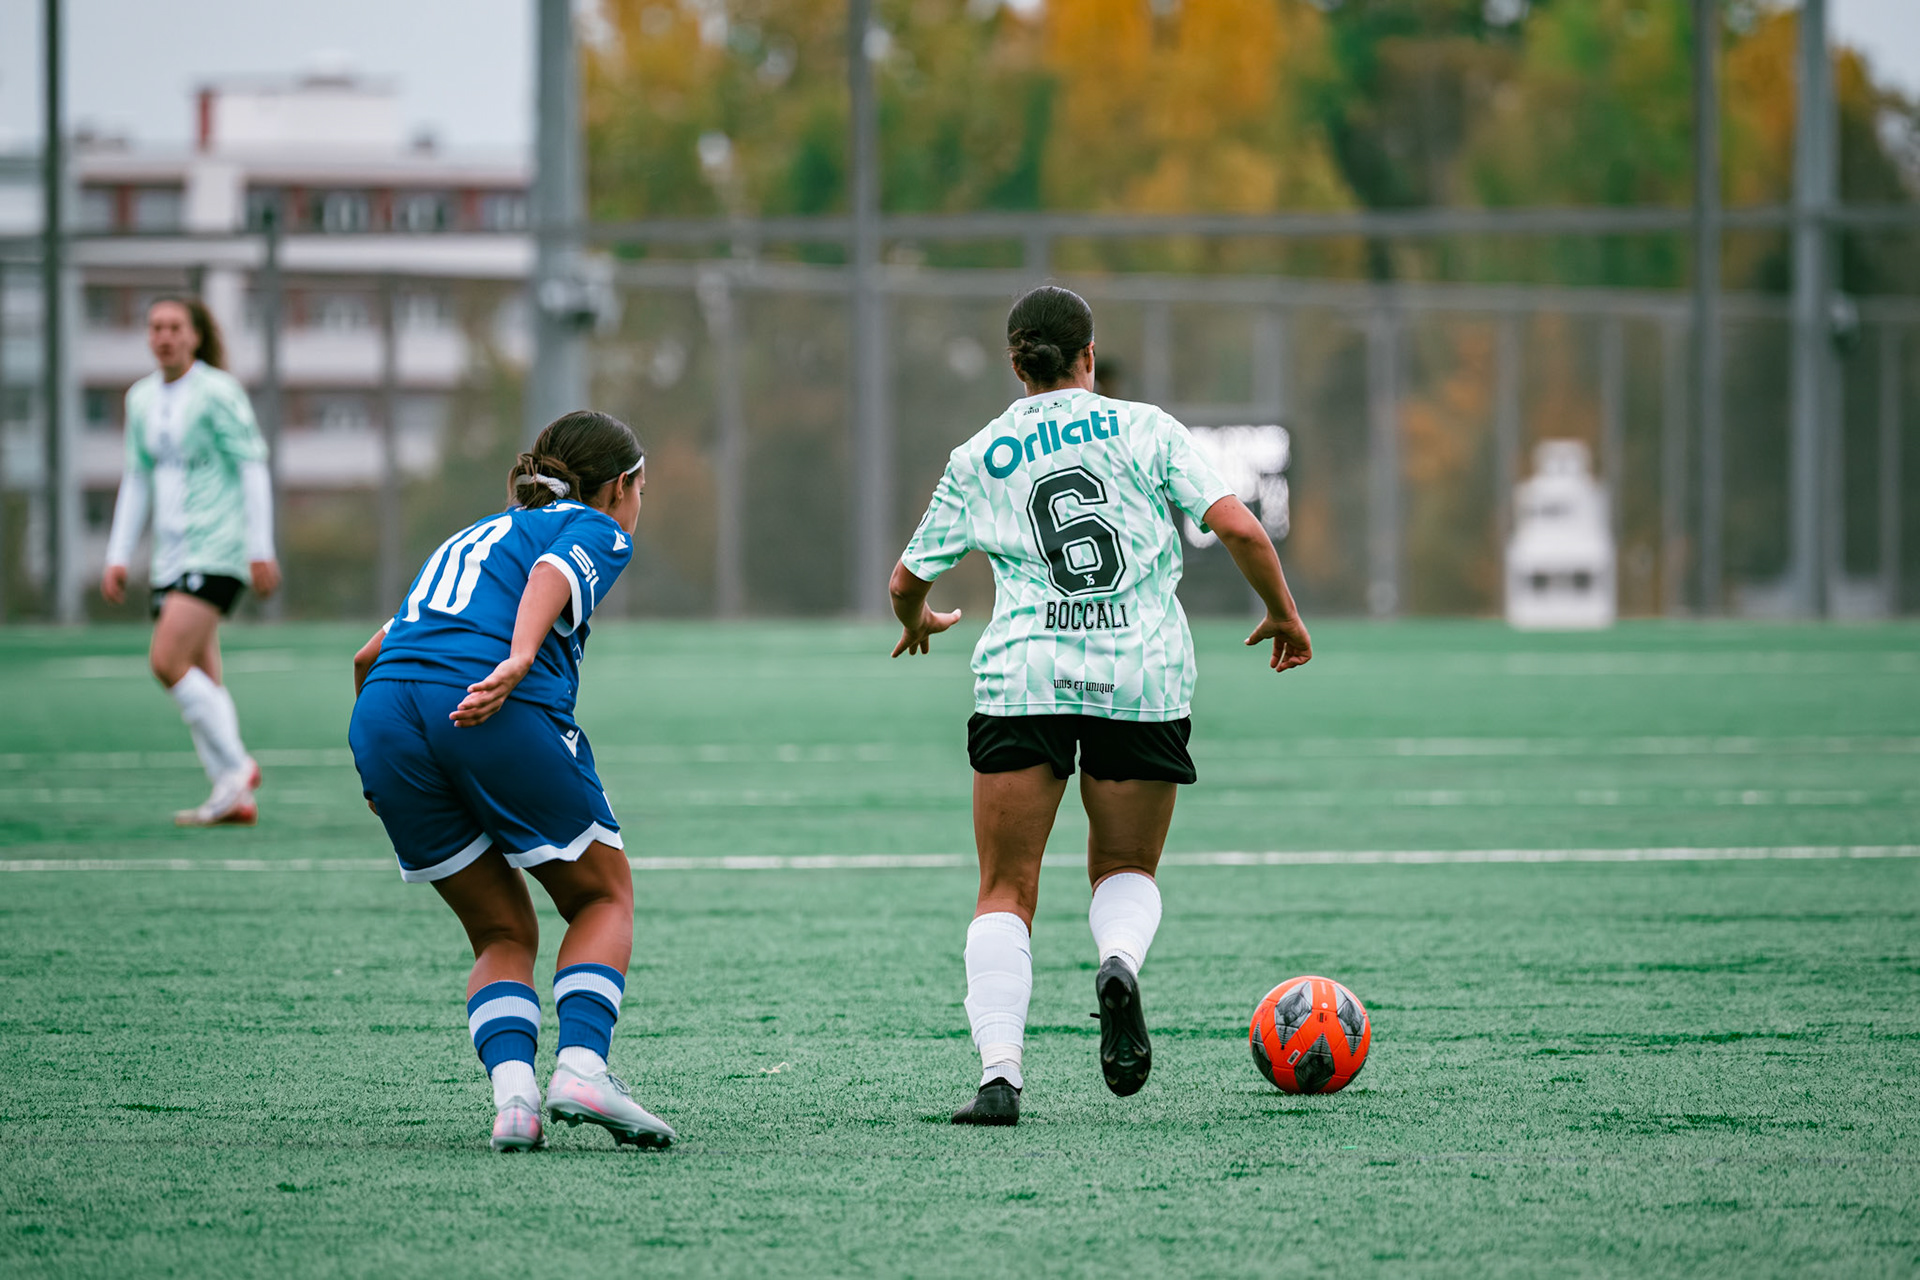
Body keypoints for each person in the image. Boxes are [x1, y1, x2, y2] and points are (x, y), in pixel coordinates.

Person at [889, 285, 1313, 1126]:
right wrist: (1283, 613)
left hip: (1023, 681)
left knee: (1005, 889)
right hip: (1140, 678)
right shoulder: (1148, 428)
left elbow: (907, 580)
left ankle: (1000, 1078)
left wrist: (918, 621)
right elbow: (1241, 531)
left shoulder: (979, 454)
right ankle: (1117, 960)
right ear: (1090, 356)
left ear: (1016, 363)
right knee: (1126, 870)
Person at [346, 410, 673, 1154]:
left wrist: (371, 757)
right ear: (618, 486)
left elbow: (369, 657)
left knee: (500, 929)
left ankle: (516, 1102)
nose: (638, 503)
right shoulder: (590, 524)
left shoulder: (478, 532)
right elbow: (556, 572)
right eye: (641, 487)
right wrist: (522, 655)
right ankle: (584, 1067)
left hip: (384, 717)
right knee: (600, 894)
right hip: (487, 701)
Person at [102, 297, 280, 827]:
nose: (164, 336)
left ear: (195, 336)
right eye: (155, 327)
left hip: (217, 548)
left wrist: (260, 547)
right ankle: (232, 794)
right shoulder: (140, 399)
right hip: (170, 555)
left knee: (165, 660)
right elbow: (137, 478)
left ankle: (237, 765)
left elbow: (252, 467)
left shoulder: (218, 392)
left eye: (175, 327)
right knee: (201, 671)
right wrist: (117, 553)